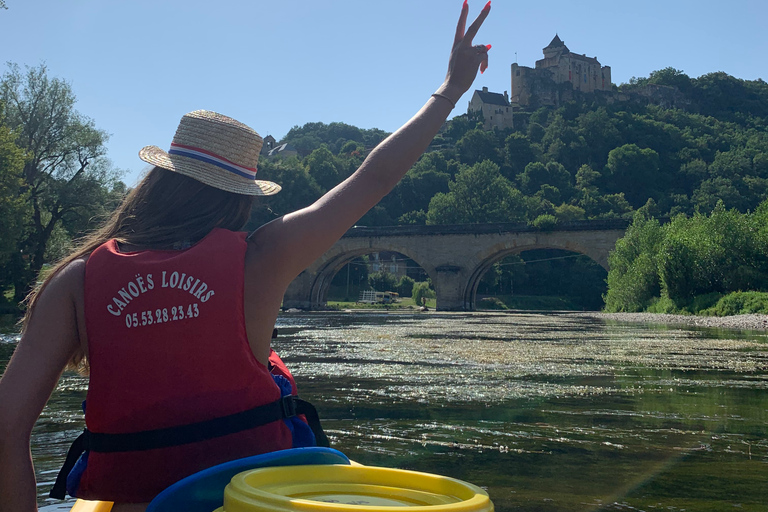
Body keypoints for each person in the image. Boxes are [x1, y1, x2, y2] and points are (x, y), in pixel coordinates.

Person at [0, 3, 491, 511]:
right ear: (241, 197)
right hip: (254, 497)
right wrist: (451, 88)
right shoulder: (263, 257)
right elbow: (373, 178)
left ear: (158, 183)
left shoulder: (74, 282)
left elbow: (5, 430)